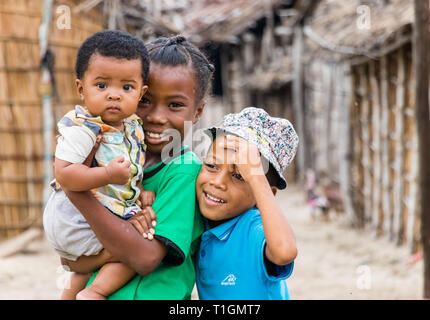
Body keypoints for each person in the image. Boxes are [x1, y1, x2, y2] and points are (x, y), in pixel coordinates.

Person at [61, 35, 215, 299]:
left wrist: (77, 192)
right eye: (145, 101)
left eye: (175, 105)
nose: (156, 116)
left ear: (198, 112)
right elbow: (73, 261)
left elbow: (144, 258)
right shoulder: (115, 157)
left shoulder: (184, 171)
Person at [42, 30, 157, 300]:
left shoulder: (132, 128)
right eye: (102, 85)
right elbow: (65, 173)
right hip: (73, 219)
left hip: (90, 218)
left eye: (126, 88)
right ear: (81, 89)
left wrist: (139, 189)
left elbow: (130, 167)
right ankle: (95, 293)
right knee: (133, 250)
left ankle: (70, 295)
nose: (114, 95)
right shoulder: (84, 126)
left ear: (141, 93)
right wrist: (106, 174)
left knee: (87, 265)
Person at [195, 107, 299, 299]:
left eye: (239, 176)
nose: (217, 182)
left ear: (266, 194)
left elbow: (285, 252)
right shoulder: (198, 218)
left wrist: (256, 177)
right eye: (211, 166)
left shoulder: (253, 229)